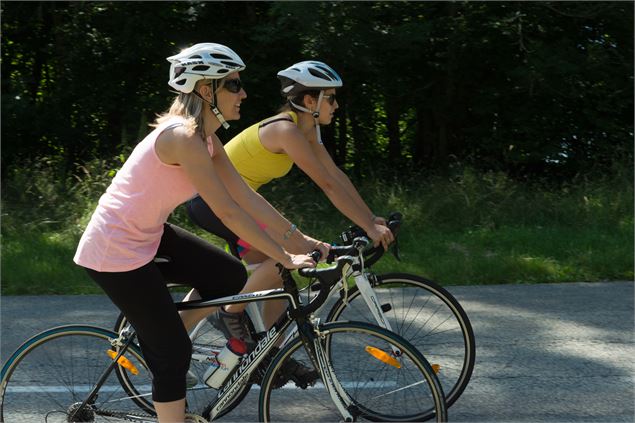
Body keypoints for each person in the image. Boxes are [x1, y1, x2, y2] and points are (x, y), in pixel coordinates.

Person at [73, 43, 322, 423]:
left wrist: (301, 241)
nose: (244, 93)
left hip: (148, 235)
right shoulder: (182, 138)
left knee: (228, 275)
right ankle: (165, 355)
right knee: (173, 354)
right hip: (114, 251)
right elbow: (227, 210)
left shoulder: (206, 138)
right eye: (234, 85)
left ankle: (159, 332)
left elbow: (246, 198)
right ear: (207, 91)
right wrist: (285, 258)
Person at [186, 60, 394, 334]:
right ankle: (231, 313)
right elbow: (327, 185)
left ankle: (266, 350)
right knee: (285, 257)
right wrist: (369, 228)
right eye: (330, 99)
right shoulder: (286, 130)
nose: (336, 106)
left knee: (276, 277)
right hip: (214, 203)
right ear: (310, 100)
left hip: (236, 202)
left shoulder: (307, 132)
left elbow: (335, 175)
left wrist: (370, 218)